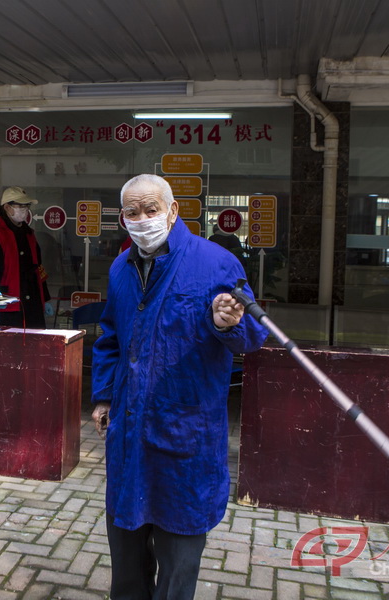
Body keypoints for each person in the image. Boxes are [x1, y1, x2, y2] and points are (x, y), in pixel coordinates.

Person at [90, 174, 268, 600]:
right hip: (130, 434)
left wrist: (227, 323)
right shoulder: (121, 267)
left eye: (151, 210)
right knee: (127, 562)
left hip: (185, 435)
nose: (142, 220)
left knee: (178, 563)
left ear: (173, 211)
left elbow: (253, 336)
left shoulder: (216, 263)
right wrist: (100, 397)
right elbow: (111, 336)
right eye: (132, 213)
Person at [0, 186, 52, 328]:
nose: (25, 210)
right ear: (7, 207)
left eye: (26, 206)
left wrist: (46, 298)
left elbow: (38, 268)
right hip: (8, 306)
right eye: (20, 206)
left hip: (32, 304)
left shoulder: (29, 234)